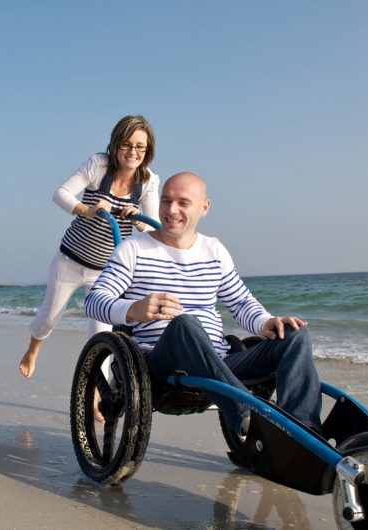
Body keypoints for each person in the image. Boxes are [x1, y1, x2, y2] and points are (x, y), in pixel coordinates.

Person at [84, 172, 322, 441]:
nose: (172, 210)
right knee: (185, 324)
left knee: (294, 334)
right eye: (166, 201)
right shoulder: (134, 248)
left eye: (183, 203)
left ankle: (304, 436)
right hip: (160, 362)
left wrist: (266, 322)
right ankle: (248, 415)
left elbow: (241, 302)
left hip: (221, 360)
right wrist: (133, 309)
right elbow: (93, 301)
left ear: (204, 208)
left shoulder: (214, 249)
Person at [18, 115, 161, 379]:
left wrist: (138, 220)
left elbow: (155, 228)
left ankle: (95, 393)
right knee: (48, 319)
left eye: (140, 146)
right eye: (126, 144)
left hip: (106, 273)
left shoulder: (149, 181)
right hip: (70, 261)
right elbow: (60, 194)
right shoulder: (99, 165)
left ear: (148, 150)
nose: (133, 152)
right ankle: (33, 348)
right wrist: (88, 210)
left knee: (102, 337)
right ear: (116, 144)